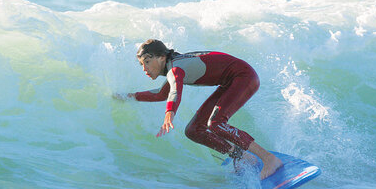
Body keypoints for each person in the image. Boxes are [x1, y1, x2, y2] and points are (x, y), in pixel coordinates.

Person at [113, 39, 283, 180]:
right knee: (194, 130)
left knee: (216, 123)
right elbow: (161, 94)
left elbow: (174, 92)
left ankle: (269, 159)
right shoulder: (174, 66)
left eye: (147, 62)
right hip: (230, 82)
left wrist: (169, 114)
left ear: (161, 57)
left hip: (243, 77)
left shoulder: (175, 69)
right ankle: (244, 157)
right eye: (142, 64)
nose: (145, 69)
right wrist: (130, 96)